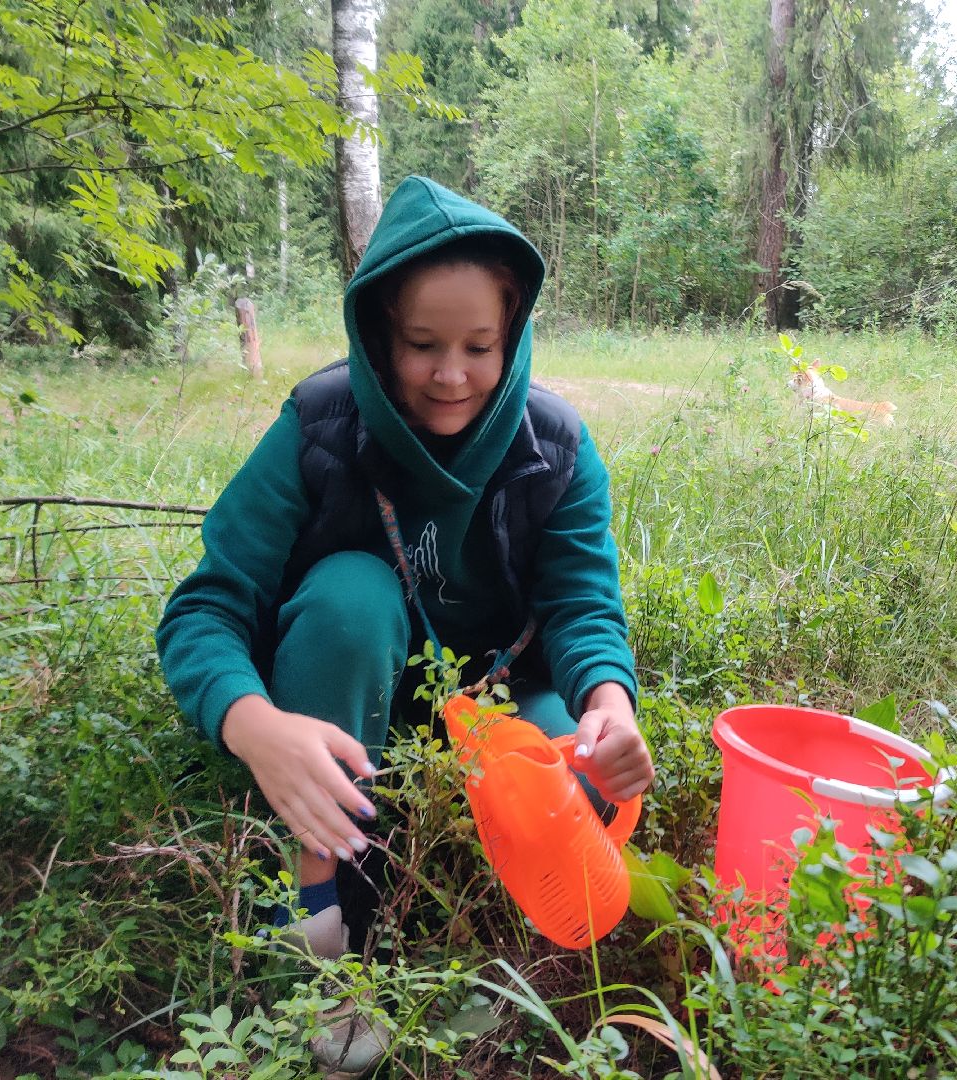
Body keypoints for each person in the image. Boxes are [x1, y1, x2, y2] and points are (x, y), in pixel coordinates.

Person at [155, 176, 653, 1072]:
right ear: (381, 331)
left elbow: (584, 608)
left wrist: (610, 704)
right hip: (340, 704)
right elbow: (206, 607)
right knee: (349, 592)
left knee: (578, 784)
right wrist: (253, 726)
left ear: (514, 334)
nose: (451, 375)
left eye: (479, 345)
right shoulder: (318, 425)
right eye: (423, 344)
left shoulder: (560, 449)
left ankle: (470, 927)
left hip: (487, 709)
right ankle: (314, 915)